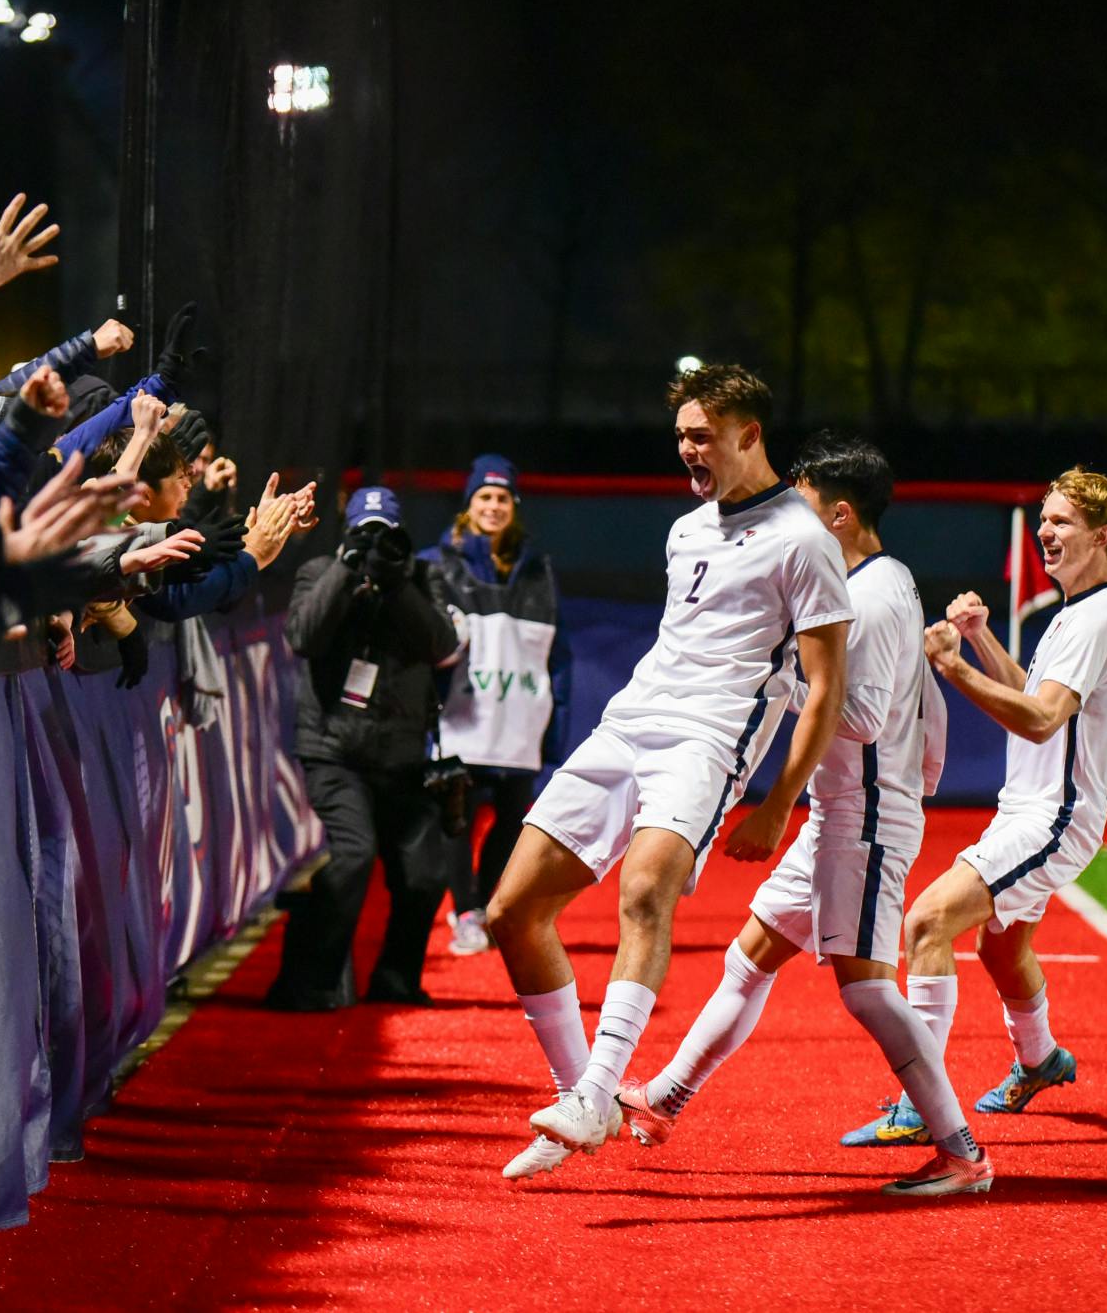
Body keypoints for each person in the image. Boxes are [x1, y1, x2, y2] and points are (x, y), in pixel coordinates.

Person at [488, 363, 851, 1180]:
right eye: (681, 434)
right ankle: (583, 1098)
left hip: (708, 740)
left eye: (702, 436)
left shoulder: (804, 538)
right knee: (513, 909)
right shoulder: (687, 526)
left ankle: (593, 1095)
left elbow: (826, 688)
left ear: (749, 435)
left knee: (646, 889)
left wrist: (778, 803)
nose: (687, 449)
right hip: (631, 721)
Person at [613, 434, 991, 1195]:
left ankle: (962, 1152)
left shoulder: (873, 592)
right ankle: (664, 1098)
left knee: (867, 988)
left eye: (805, 503)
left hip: (864, 814)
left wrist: (789, 673)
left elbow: (860, 715)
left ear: (841, 515)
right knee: (749, 957)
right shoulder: (881, 582)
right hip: (848, 810)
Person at [840, 467, 1107, 1151]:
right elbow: (1033, 695)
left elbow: (1038, 720)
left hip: (1054, 818)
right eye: (1044, 520)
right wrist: (980, 639)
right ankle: (1040, 1061)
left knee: (927, 921)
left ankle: (923, 1103)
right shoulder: (1078, 611)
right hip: (1031, 810)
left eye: (1062, 522)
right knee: (1001, 948)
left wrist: (953, 667)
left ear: (1103, 535)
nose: (1046, 531)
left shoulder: (1101, 616)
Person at [267, 487, 461, 1010]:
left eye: (385, 534)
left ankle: (396, 979)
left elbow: (442, 647)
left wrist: (398, 585)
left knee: (425, 871)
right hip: (334, 751)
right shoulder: (320, 571)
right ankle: (315, 981)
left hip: (403, 757)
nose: (376, 544)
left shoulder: (422, 578)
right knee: (351, 856)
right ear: (348, 533)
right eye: (364, 533)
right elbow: (304, 636)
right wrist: (347, 568)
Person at [420, 454, 571, 957]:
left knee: (511, 820)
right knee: (457, 819)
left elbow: (556, 649)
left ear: (514, 505)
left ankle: (483, 907)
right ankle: (464, 910)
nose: (493, 505)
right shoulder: (437, 563)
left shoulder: (537, 567)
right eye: (483, 497)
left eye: (502, 497)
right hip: (462, 717)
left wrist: (555, 723)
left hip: (518, 719)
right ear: (468, 505)